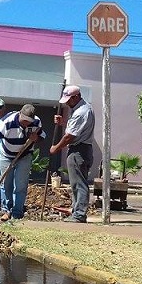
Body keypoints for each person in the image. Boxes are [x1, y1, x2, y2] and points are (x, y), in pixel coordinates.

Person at [0, 103, 46, 221]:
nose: (26, 123)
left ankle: (17, 212)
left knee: (21, 185)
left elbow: (42, 136)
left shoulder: (36, 122)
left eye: (28, 121)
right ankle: (7, 210)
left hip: (25, 155)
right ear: (19, 114)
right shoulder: (6, 122)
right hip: (6, 155)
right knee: (7, 184)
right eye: (24, 120)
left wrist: (36, 138)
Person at [50, 85, 95, 223]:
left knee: (79, 184)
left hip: (78, 150)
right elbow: (74, 129)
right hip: (81, 149)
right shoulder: (80, 109)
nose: (67, 103)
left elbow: (70, 136)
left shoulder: (81, 112)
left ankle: (79, 214)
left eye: (69, 100)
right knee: (76, 183)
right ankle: (77, 211)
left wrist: (56, 148)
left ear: (76, 97)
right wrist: (63, 122)